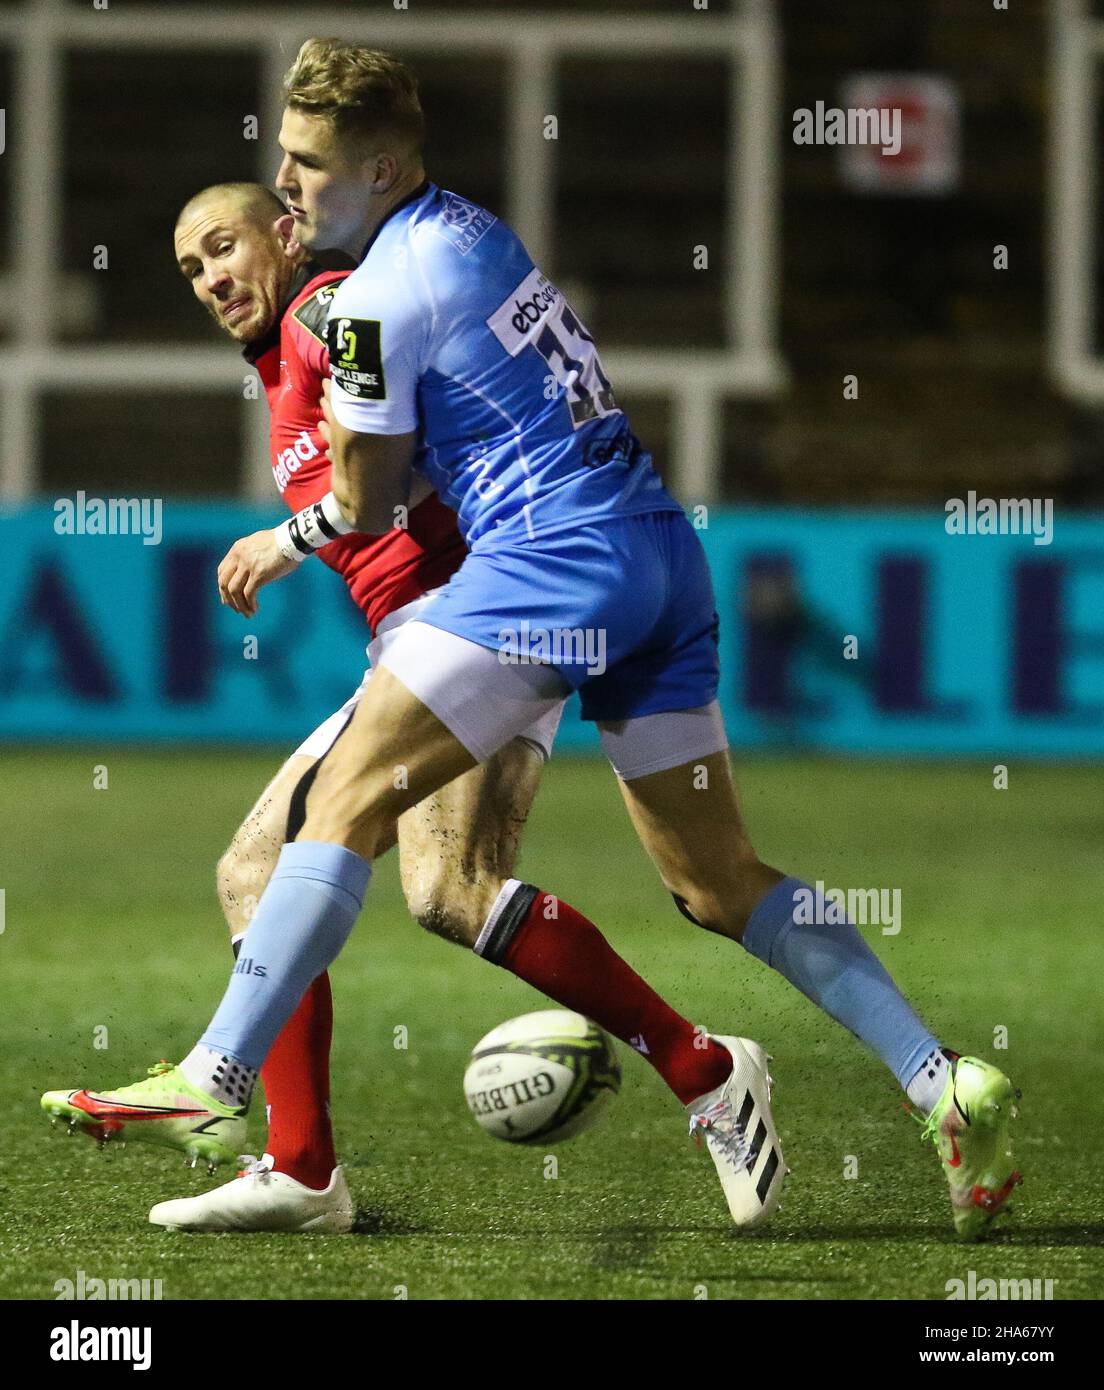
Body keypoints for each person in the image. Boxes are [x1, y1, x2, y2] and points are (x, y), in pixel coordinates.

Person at [44, 40, 1019, 1240]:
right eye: (284, 161)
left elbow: (366, 498)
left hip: (548, 566)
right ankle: (940, 1079)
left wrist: (286, 543)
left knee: (339, 808)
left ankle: (217, 1078)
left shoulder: (359, 306)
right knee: (714, 881)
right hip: (659, 548)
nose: (288, 186)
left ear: (384, 166)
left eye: (307, 166)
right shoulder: (468, 231)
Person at [42, 180, 759, 1233]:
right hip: (434, 636)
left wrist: (289, 541)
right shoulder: (283, 356)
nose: (210, 277)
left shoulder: (326, 310)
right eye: (191, 269)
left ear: (284, 233)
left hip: (482, 624)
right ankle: (303, 1171)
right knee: (367, 883)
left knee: (441, 886)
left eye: (224, 246)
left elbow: (405, 408)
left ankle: (704, 1069)